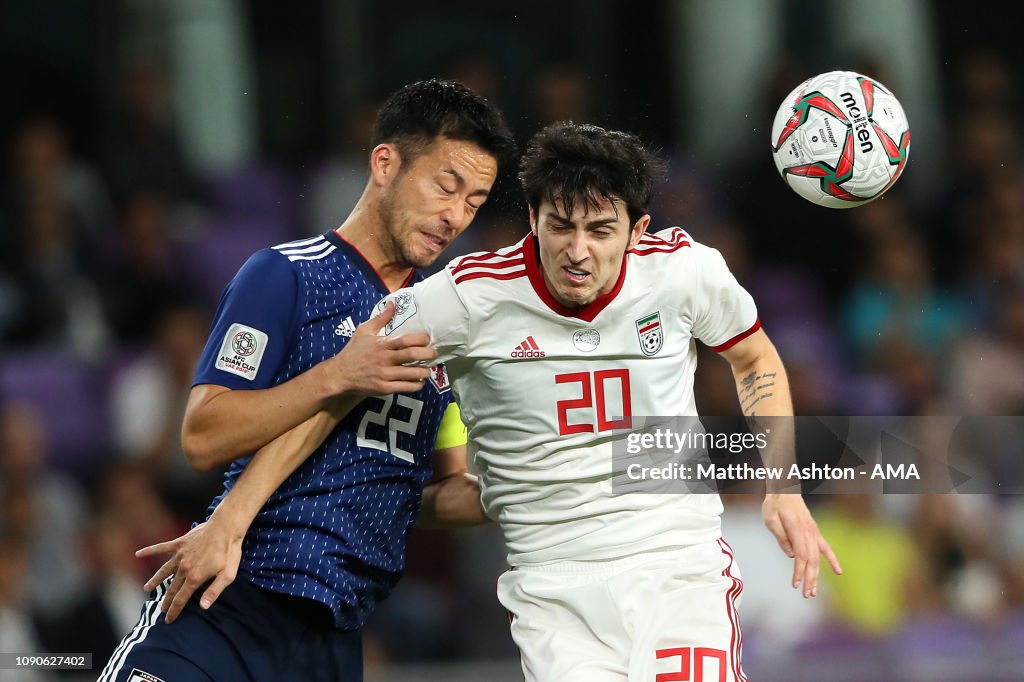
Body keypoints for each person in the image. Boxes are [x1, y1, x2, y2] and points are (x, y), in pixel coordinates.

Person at [142, 122, 839, 681]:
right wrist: (233, 515)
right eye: (560, 225)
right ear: (531, 216)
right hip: (554, 589)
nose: (578, 251)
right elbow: (344, 387)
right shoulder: (463, 296)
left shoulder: (686, 272)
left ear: (638, 227)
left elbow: (755, 359)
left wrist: (783, 487)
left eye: (601, 231)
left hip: (676, 563)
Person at [97, 78, 515, 682]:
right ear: (385, 163)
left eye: (474, 202)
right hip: (227, 608)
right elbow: (204, 436)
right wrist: (338, 375)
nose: (455, 216)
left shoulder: (440, 329)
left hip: (334, 643)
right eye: (445, 186)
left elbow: (438, 493)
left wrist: (536, 488)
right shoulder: (284, 277)